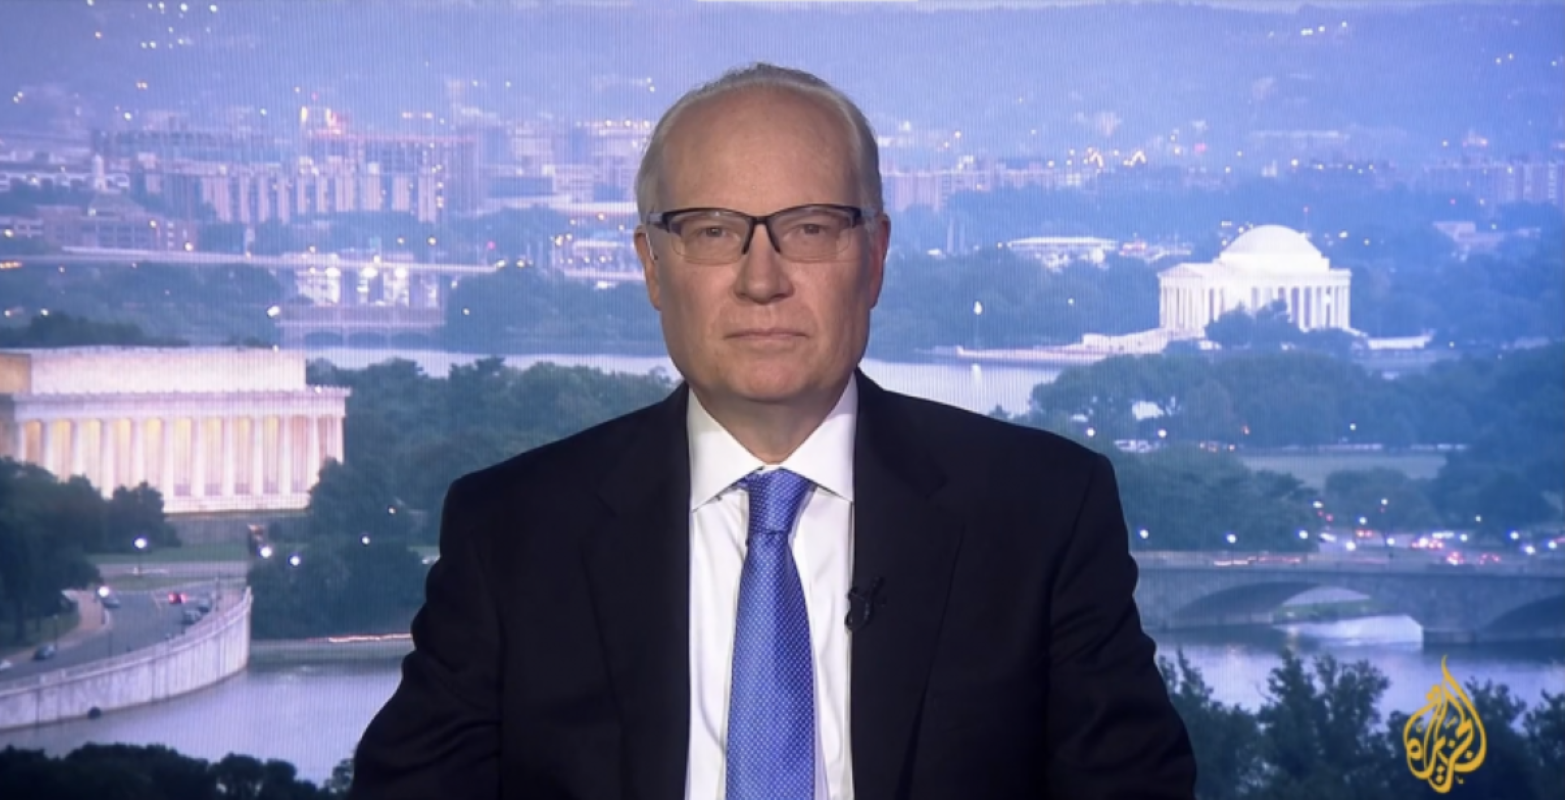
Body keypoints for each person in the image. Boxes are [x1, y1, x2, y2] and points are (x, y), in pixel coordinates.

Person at [349, 63, 1197, 800]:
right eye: (713, 232)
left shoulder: (1041, 513)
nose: (762, 279)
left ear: (875, 257)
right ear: (650, 267)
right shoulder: (512, 531)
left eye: (810, 229)